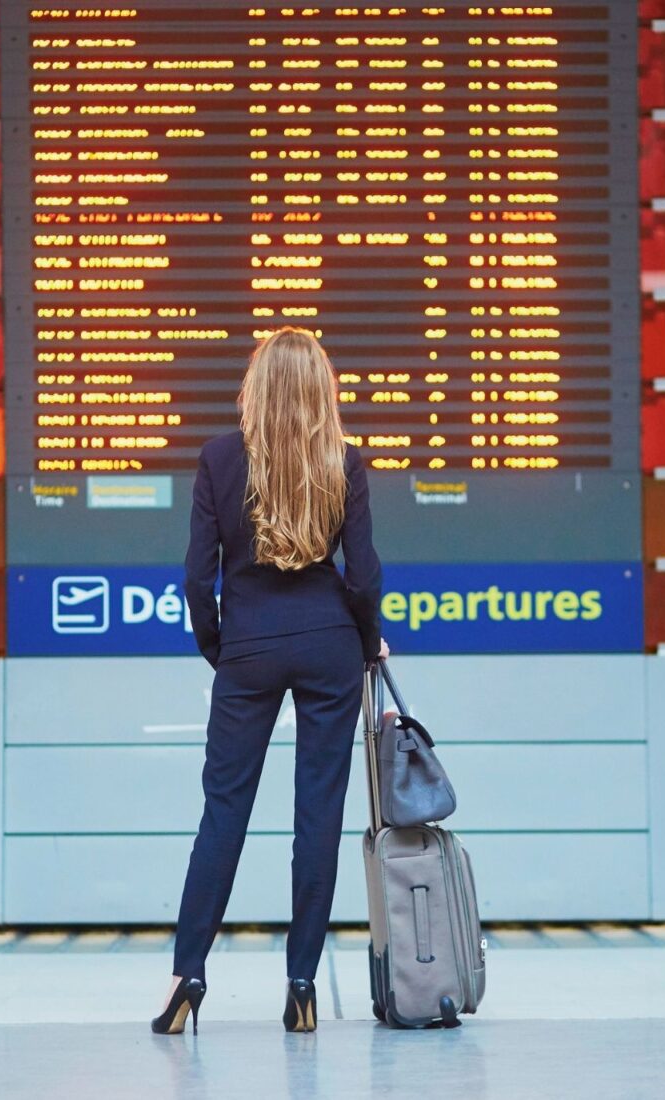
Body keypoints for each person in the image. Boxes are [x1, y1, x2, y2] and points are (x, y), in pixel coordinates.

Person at [151, 327, 388, 1036]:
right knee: (317, 815)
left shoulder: (219, 459)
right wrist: (367, 635)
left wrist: (221, 649)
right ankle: (303, 985)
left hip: (248, 645)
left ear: (255, 389)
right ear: (322, 389)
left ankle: (188, 975)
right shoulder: (343, 462)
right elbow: (366, 574)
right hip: (329, 647)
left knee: (223, 812)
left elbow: (197, 578)